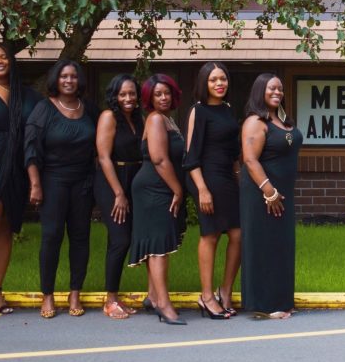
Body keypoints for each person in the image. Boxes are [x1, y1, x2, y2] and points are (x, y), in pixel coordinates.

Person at [24, 60, 99, 319]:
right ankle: (48, 295)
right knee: (52, 237)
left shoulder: (88, 109)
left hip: (83, 183)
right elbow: (31, 148)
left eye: (74, 76)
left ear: (79, 81)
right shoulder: (44, 109)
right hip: (52, 181)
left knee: (80, 237)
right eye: (64, 76)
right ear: (56, 80)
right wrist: (35, 183)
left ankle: (75, 292)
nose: (69, 80)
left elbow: (102, 142)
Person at [240, 73, 303, 319]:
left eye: (279, 89)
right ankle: (264, 306)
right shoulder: (256, 122)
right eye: (271, 89)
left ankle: (282, 300)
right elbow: (249, 159)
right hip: (263, 195)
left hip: (282, 195)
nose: (277, 92)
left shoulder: (281, 119)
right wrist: (269, 191)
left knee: (280, 247)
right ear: (259, 92)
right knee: (263, 246)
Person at [127, 74, 187, 325]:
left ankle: (153, 296)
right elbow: (160, 159)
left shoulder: (167, 119)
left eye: (167, 93)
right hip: (154, 187)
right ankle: (163, 303)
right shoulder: (154, 119)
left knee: (158, 244)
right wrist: (178, 190)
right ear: (149, 99)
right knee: (159, 247)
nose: (164, 98)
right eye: (157, 94)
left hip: (161, 186)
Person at [184, 62, 240, 319]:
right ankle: (206, 296)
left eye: (223, 79)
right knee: (211, 236)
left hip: (228, 179)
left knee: (238, 235)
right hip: (206, 178)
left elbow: (232, 150)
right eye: (213, 80)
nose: (220, 84)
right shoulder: (199, 111)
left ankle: (225, 291)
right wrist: (202, 189)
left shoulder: (228, 110)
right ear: (204, 83)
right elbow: (191, 156)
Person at [0, 42, 40, 316]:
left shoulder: (25, 95)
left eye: (3, 57)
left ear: (11, 61)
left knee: (6, 226)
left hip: (16, 167)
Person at [94, 74, 144, 319]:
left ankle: (121, 296)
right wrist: (118, 193)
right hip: (113, 181)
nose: (128, 98)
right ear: (114, 95)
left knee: (133, 238)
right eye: (122, 94)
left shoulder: (137, 118)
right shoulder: (109, 117)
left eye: (132, 93)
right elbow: (103, 157)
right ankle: (110, 299)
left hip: (134, 178)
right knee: (120, 239)